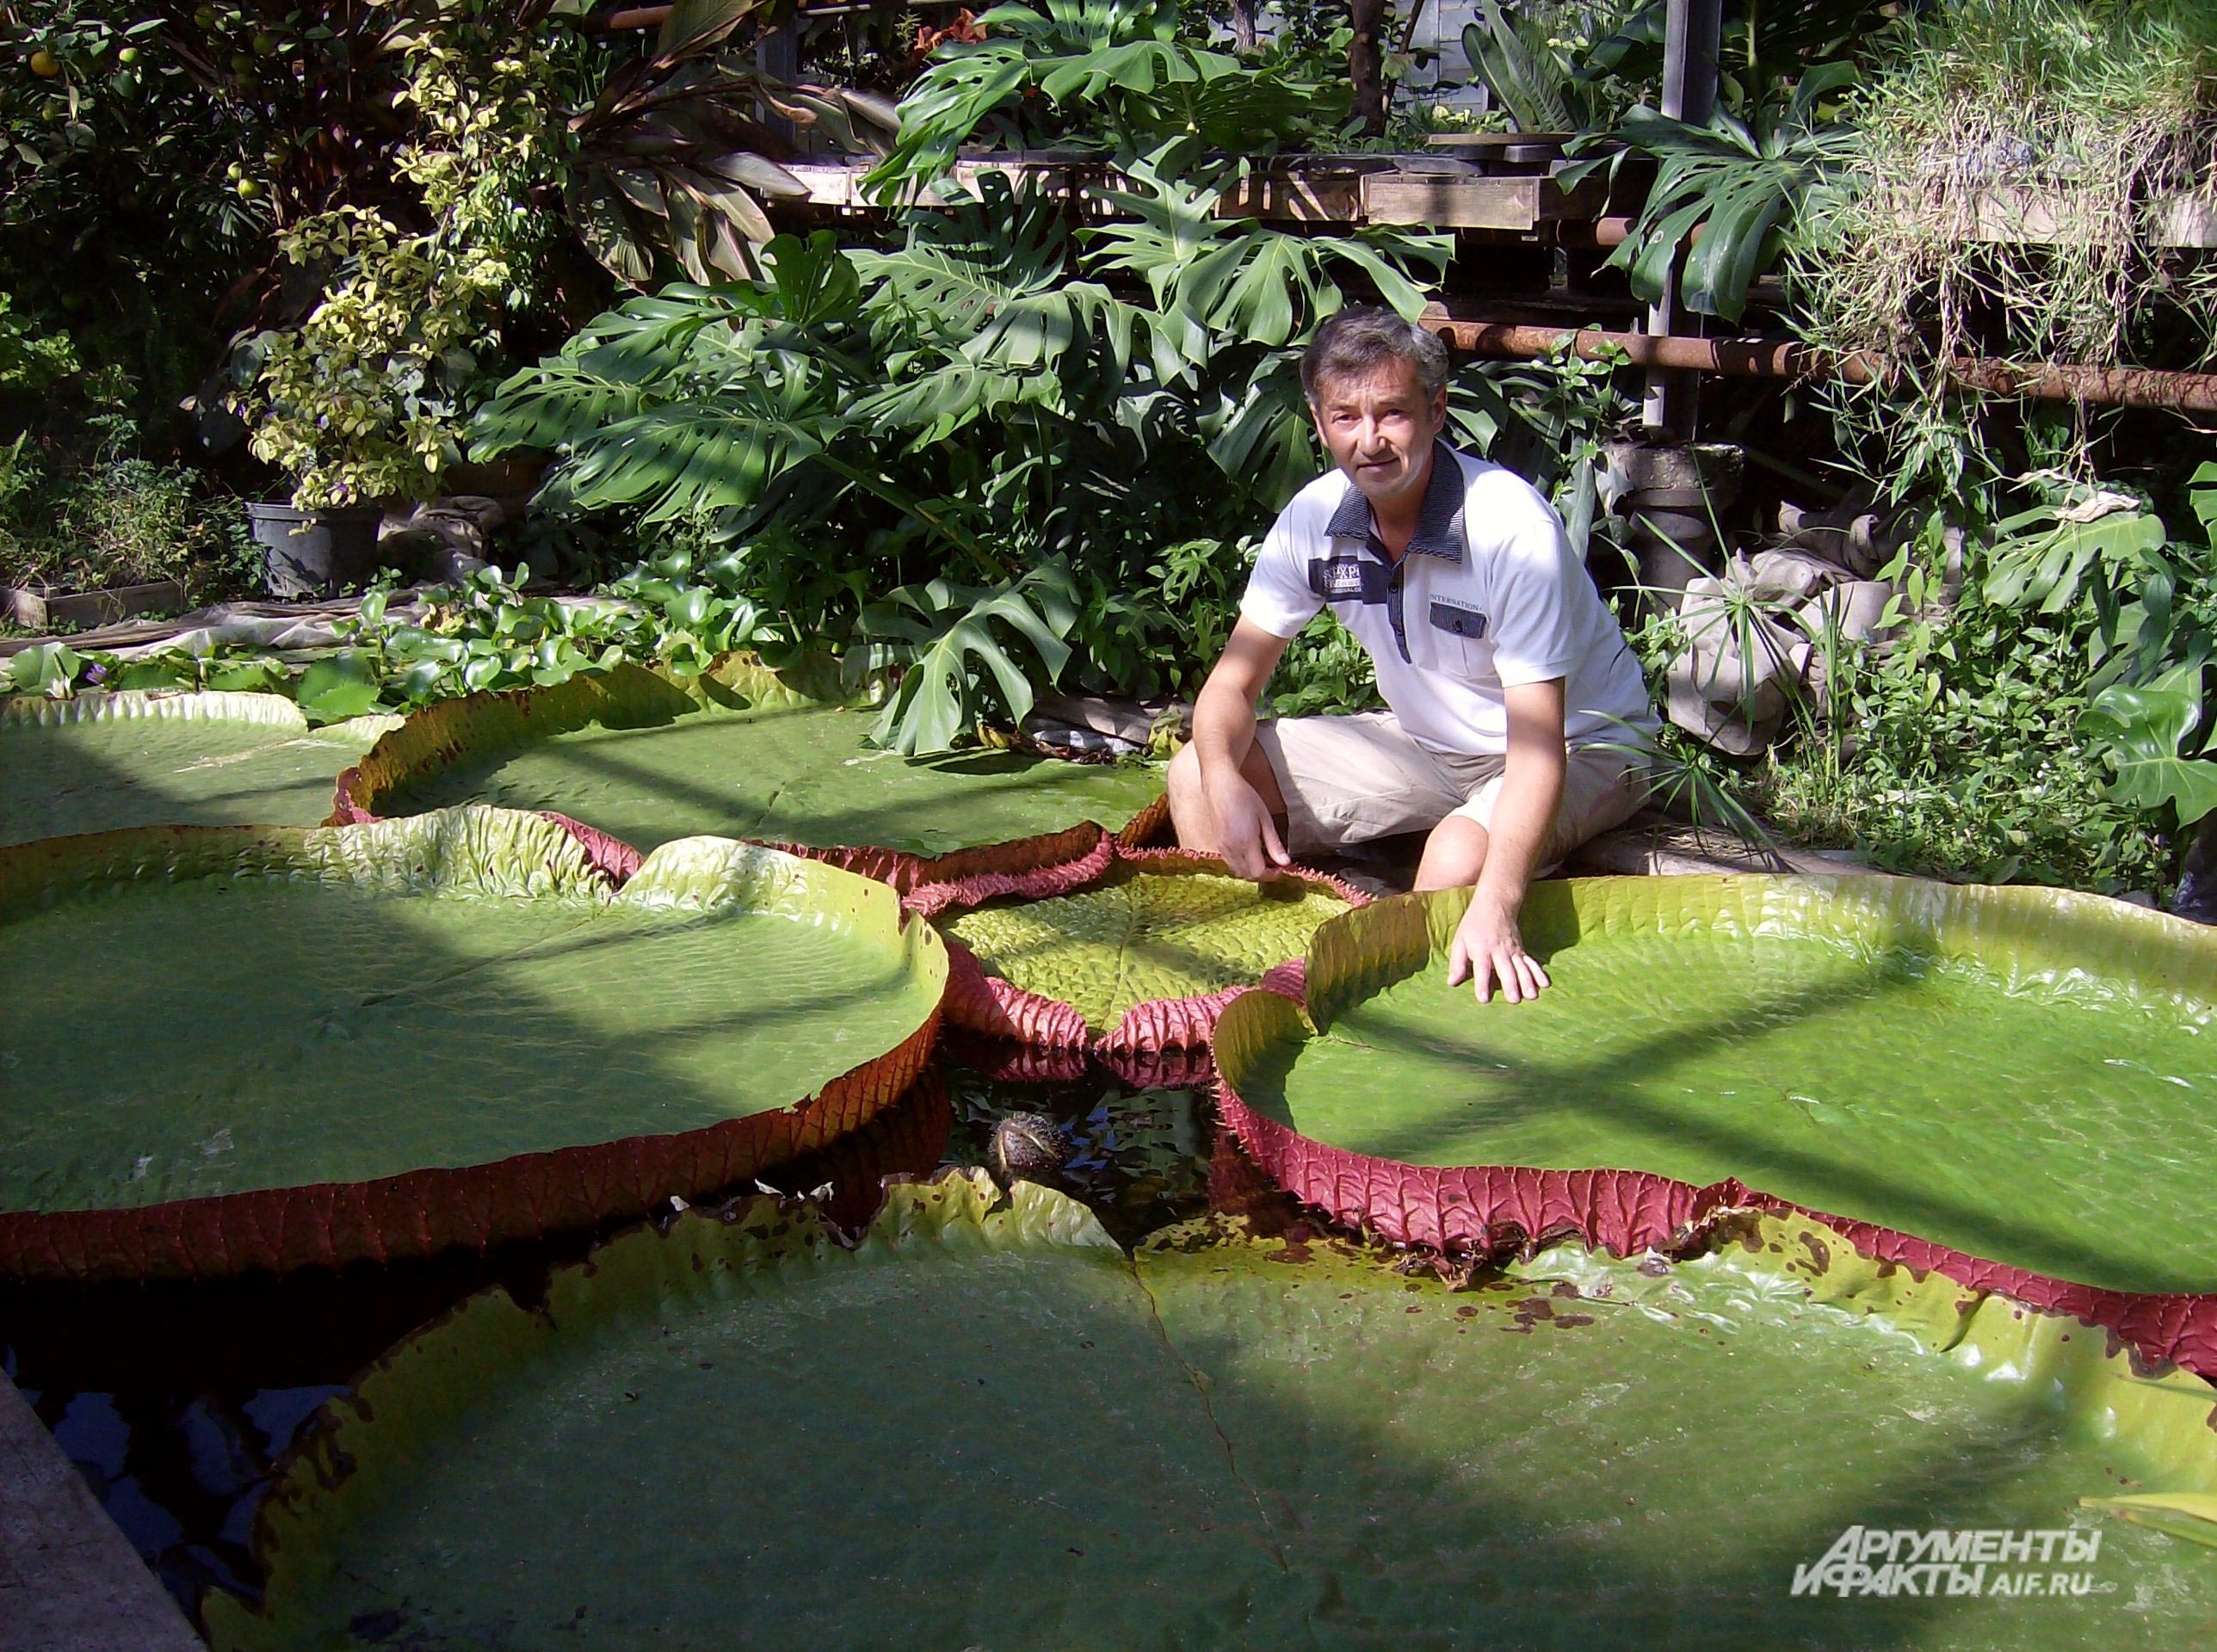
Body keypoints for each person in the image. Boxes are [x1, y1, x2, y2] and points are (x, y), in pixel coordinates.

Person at [1166, 306, 1657, 1005]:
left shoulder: (1508, 528)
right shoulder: (1314, 519)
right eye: (1345, 418)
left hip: (1584, 744)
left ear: (1436, 411)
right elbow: (1231, 686)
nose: (1370, 441)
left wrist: (1497, 904)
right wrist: (1222, 778)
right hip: (1429, 746)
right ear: (1318, 420)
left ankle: (1415, 1018)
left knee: (1457, 861)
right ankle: (1242, 984)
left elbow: (1539, 750)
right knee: (1193, 774)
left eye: (1392, 414)